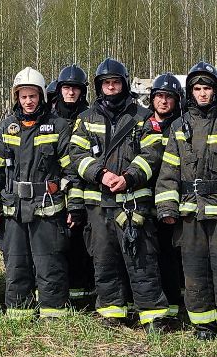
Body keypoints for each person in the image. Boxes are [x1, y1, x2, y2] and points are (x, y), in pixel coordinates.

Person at [154, 62, 217, 338]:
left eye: (207, 88)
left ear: (216, 91)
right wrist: (166, 207)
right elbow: (168, 171)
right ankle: (203, 324)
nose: (202, 94)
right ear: (190, 92)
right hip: (189, 215)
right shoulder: (178, 127)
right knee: (195, 271)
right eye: (197, 89)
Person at [71, 59, 170, 329]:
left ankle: (152, 315)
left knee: (142, 260)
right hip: (98, 204)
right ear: (99, 86)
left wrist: (128, 178)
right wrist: (101, 174)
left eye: (115, 82)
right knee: (104, 261)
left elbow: (152, 154)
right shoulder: (86, 119)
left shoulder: (142, 118)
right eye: (106, 83)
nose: (111, 87)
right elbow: (76, 154)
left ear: (124, 84)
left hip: (133, 205)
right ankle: (112, 312)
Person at [0, 67, 73, 318]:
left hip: (47, 207)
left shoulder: (57, 126)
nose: (28, 101)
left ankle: (53, 313)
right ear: (17, 98)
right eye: (23, 96)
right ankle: (19, 313)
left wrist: (73, 204)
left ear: (42, 96)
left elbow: (71, 171)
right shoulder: (6, 128)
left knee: (49, 262)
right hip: (13, 208)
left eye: (32, 96)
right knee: (16, 262)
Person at [142, 73, 186, 314]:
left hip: (173, 199)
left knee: (173, 253)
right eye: (159, 96)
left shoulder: (182, 126)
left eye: (169, 97)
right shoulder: (142, 124)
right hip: (145, 198)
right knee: (149, 252)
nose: (164, 101)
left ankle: (173, 301)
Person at [52, 65, 95, 309]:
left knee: (82, 243)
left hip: (83, 187)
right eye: (66, 88)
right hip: (53, 189)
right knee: (57, 244)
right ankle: (60, 291)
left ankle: (82, 296)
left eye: (75, 88)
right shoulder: (49, 117)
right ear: (59, 90)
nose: (70, 92)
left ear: (82, 91)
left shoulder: (90, 116)